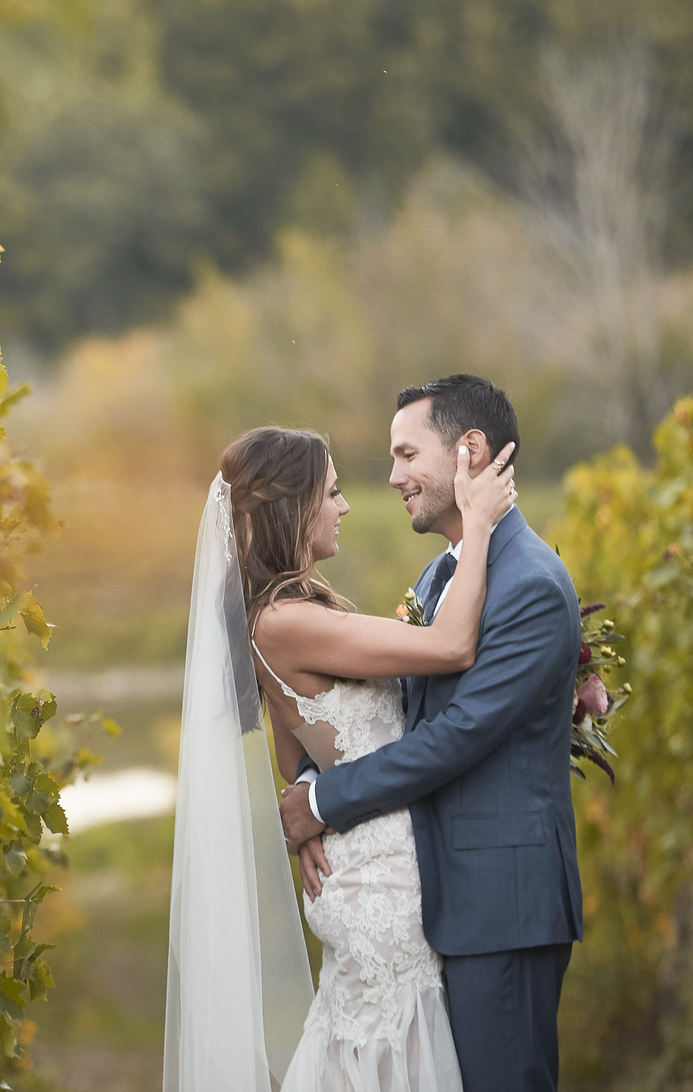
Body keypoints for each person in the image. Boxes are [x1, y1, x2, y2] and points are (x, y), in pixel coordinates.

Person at [163, 408, 517, 1092]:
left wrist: (303, 808)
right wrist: (477, 527)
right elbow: (450, 647)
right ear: (293, 509)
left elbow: (291, 751)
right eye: (330, 492)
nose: (345, 505)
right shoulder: (288, 621)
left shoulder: (285, 614)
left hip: (366, 872)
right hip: (381, 894)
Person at [277, 376, 584, 1092]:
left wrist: (323, 804)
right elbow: (387, 719)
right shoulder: (444, 575)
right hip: (439, 903)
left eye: (408, 454)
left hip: (499, 907)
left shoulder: (532, 584)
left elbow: (457, 736)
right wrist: (307, 782)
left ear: (469, 451)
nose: (392, 478)